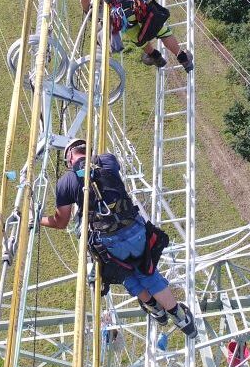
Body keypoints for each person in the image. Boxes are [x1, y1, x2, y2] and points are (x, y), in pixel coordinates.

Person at [40, 139, 198, 337]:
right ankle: (181, 318)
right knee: (147, 272)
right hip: (135, 230)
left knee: (123, 272)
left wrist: (38, 220)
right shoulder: (107, 160)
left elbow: (60, 221)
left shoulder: (67, 182)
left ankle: (154, 307)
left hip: (108, 241)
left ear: (70, 157)